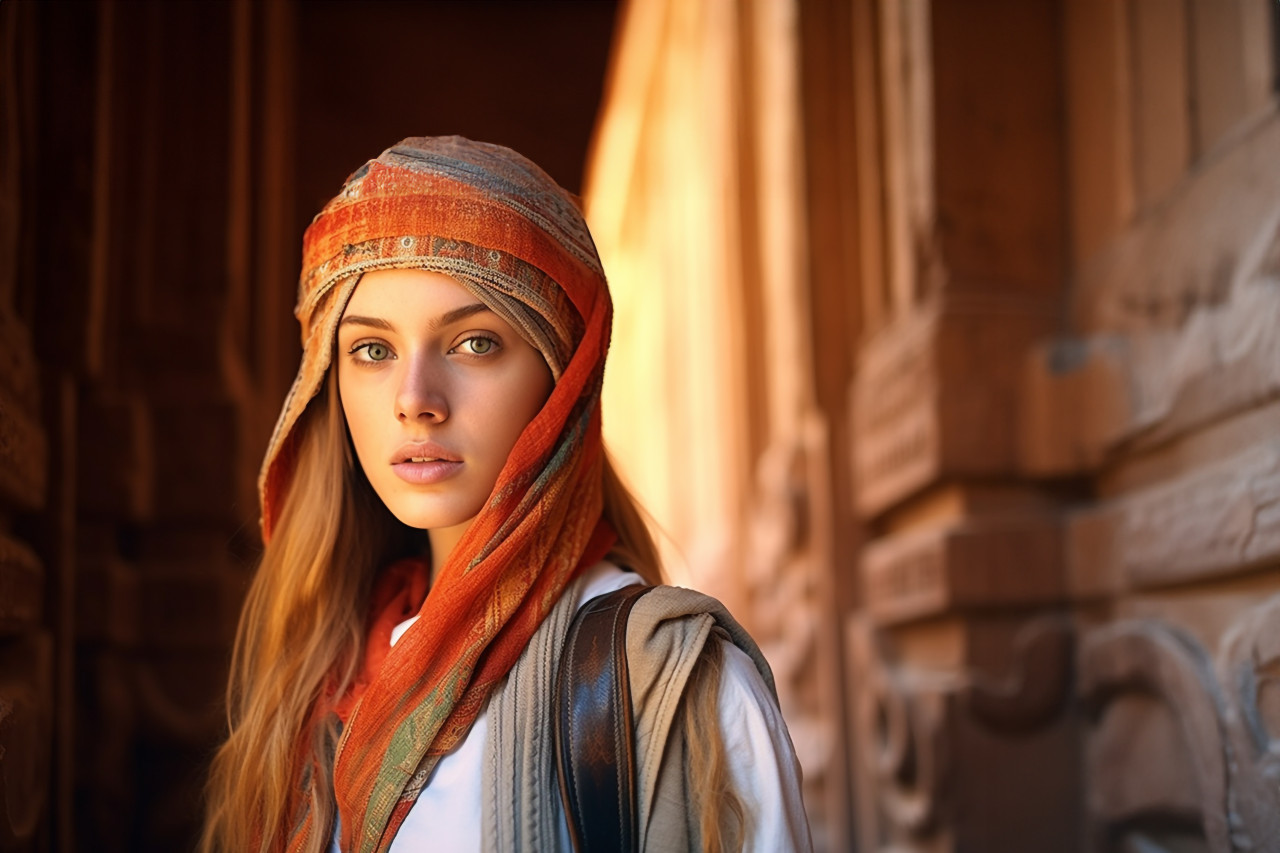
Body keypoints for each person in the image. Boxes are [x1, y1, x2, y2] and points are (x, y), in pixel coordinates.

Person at [200, 136, 811, 853]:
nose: (415, 399)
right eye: (373, 350)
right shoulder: (314, 689)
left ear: (563, 377)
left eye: (474, 343)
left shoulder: (674, 691)